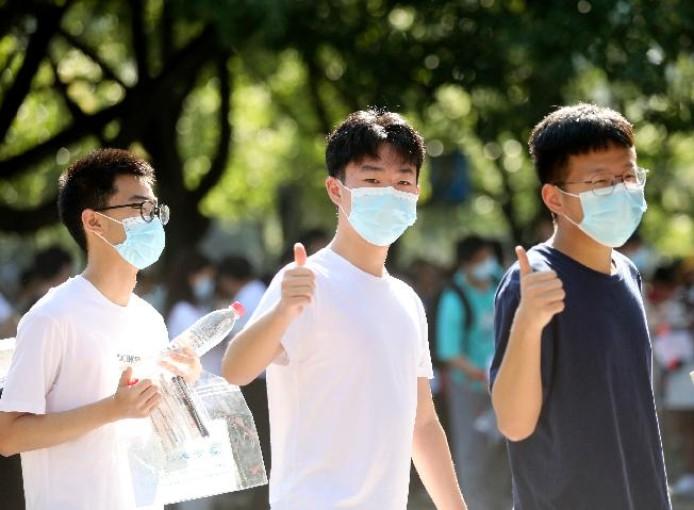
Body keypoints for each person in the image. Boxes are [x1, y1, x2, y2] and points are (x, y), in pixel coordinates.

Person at [222, 109, 467, 509]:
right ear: (336, 190)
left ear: (417, 193)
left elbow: (422, 422)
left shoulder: (407, 300)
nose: (389, 192)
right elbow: (236, 370)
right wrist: (283, 312)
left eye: (403, 181)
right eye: (372, 180)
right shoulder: (305, 281)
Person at [490, 104, 671, 509]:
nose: (621, 190)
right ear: (554, 197)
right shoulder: (532, 281)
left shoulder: (627, 272)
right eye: (600, 182)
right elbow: (514, 424)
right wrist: (528, 323)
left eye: (628, 176)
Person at [0, 148, 201, 510]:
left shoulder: (150, 320)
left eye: (155, 210)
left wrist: (183, 385)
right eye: (139, 208)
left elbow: (156, 430)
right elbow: (8, 434)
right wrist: (112, 409)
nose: (153, 221)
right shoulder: (51, 317)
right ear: (94, 222)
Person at [435, 235, 507, 509]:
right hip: (470, 387)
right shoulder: (455, 298)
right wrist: (482, 375)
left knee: (505, 449)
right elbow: (450, 353)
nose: (486, 264)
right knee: (473, 451)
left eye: (488, 257)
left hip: (504, 384)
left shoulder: (500, 282)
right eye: (479, 260)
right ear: (465, 264)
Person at [165, 250, 216, 339]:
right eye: (206, 276)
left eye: (211, 278)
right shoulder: (181, 309)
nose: (209, 282)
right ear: (191, 276)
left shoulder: (199, 307)